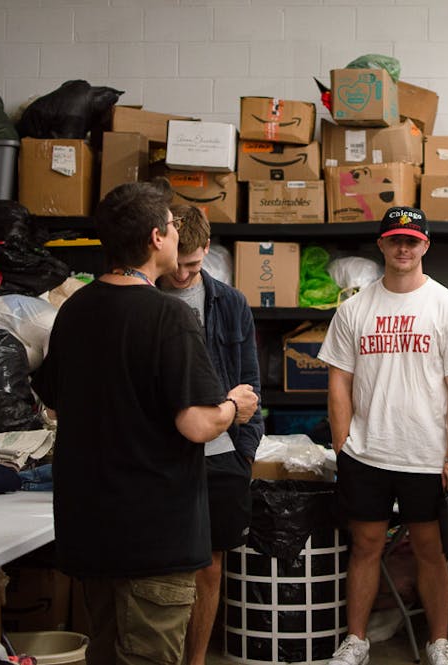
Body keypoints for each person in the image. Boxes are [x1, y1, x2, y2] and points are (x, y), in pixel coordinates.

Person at [32, 179, 259, 665]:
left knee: (108, 654)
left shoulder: (74, 309)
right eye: (174, 227)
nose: (178, 235)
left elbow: (54, 405)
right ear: (157, 238)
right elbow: (197, 424)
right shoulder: (168, 317)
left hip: (91, 533)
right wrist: (234, 407)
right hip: (153, 538)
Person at [318, 206, 448, 665]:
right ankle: (356, 641)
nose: (403, 248)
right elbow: (338, 381)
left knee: (430, 552)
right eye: (395, 240)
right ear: (382, 245)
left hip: (426, 457)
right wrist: (343, 445)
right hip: (368, 453)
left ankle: (438, 641)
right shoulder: (354, 309)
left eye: (412, 240)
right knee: (366, 547)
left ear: (426, 245)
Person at [159, 204, 264, 665]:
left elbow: (250, 381)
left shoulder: (230, 302)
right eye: (177, 263)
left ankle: (196, 661)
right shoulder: (146, 299)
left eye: (194, 264)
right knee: (160, 567)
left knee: (209, 566)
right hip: (159, 455)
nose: (184, 274)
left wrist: (243, 452)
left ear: (206, 251)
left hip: (221, 454)